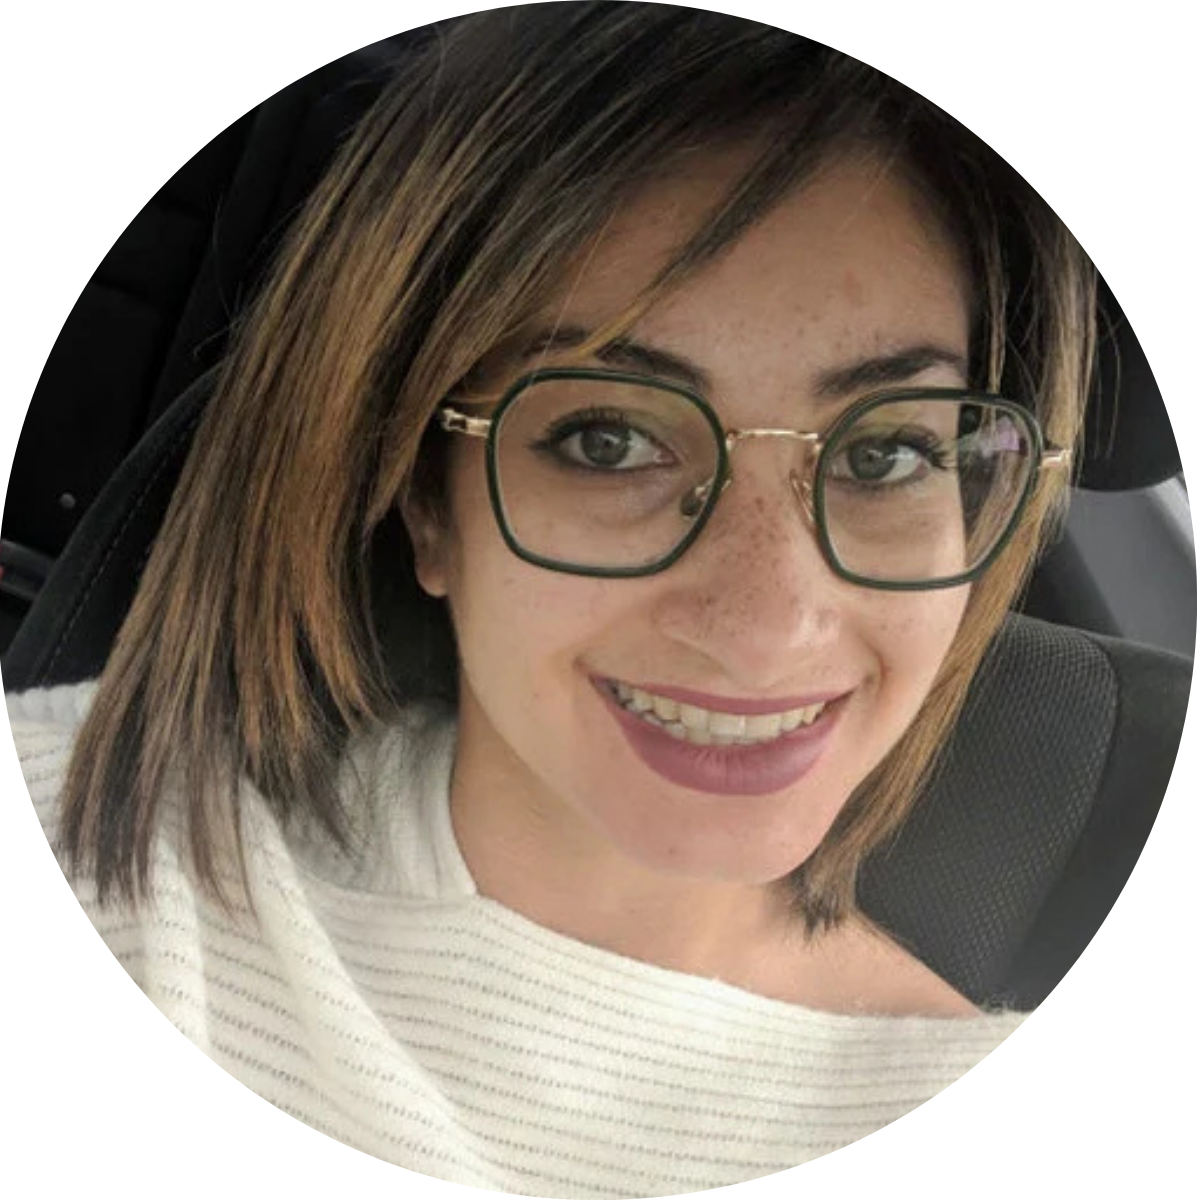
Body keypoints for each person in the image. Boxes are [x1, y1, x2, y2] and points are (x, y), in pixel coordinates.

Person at [7, 4, 1096, 1196]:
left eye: (886, 454)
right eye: (608, 438)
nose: (766, 623)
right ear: (427, 501)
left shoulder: (1039, 1112)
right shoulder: (67, 850)